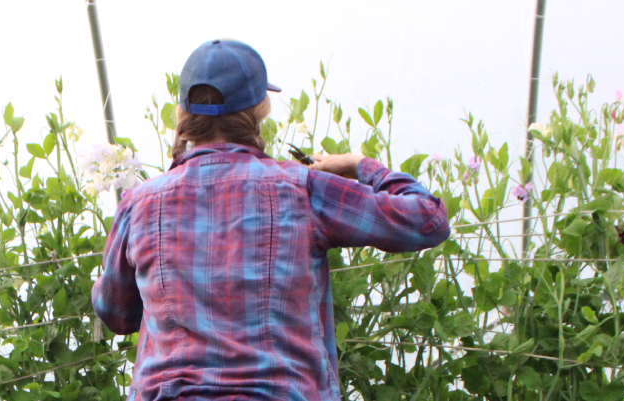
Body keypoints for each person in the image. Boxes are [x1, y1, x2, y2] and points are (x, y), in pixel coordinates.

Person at [92, 39, 450, 401]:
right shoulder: (302, 189)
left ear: (184, 113)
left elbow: (114, 312)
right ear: (258, 110)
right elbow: (427, 219)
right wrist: (360, 164)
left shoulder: (139, 203)